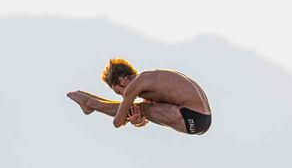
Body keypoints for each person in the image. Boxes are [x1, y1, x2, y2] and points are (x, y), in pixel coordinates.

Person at [67, 58, 212, 135]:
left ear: (123, 81)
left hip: (192, 118)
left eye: (119, 92)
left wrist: (129, 117)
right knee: (141, 108)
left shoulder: (137, 84)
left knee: (139, 107)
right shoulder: (151, 83)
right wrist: (136, 121)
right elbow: (145, 116)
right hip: (201, 119)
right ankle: (90, 102)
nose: (123, 95)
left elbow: (117, 122)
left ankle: (90, 103)